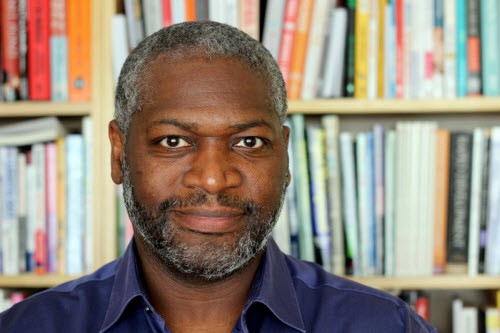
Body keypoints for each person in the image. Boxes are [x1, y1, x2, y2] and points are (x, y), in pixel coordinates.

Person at [0, 21, 436, 333]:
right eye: (173, 141)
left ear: (285, 157)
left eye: (248, 142)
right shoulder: (29, 326)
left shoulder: (386, 325)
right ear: (119, 152)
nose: (212, 180)